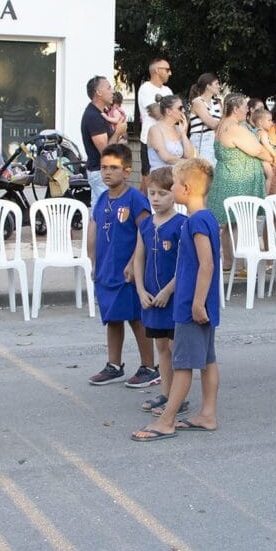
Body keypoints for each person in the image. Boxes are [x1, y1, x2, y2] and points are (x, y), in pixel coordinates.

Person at [131, 157, 221, 440]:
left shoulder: (195, 221)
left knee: (183, 364)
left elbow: (206, 264)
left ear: (186, 188)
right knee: (207, 362)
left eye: (176, 184)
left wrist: (196, 303)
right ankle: (207, 414)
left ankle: (167, 420)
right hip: (200, 304)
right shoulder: (205, 218)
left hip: (190, 306)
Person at [86, 142, 157, 388]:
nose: (107, 172)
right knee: (112, 317)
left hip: (128, 271)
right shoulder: (103, 198)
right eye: (104, 167)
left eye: (114, 168)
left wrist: (133, 263)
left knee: (136, 318)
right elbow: (94, 229)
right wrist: (93, 261)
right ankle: (114, 365)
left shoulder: (135, 199)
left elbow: (145, 233)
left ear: (126, 171)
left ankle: (150, 366)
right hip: (106, 268)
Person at [133, 165, 189, 416]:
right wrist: (140, 290)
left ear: (174, 194)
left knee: (176, 348)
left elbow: (186, 264)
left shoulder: (182, 225)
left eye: (162, 194)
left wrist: (168, 290)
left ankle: (179, 397)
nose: (155, 199)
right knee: (161, 348)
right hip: (151, 298)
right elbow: (138, 258)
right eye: (151, 193)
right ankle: (166, 393)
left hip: (173, 297)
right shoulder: (145, 225)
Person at [206, 93, 275, 268]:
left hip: (228, 177)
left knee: (231, 223)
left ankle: (230, 263)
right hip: (237, 181)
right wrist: (270, 156)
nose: (248, 110)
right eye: (245, 106)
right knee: (238, 222)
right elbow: (257, 151)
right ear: (235, 109)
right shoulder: (234, 128)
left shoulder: (223, 125)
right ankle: (241, 265)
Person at [80, 75, 128, 209]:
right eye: (109, 88)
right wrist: (118, 132)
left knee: (97, 211)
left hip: (100, 171)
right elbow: (105, 152)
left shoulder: (100, 113)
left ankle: (93, 231)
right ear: (98, 93)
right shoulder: (93, 117)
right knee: (110, 210)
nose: (112, 91)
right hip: (100, 172)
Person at [136, 57, 172, 190]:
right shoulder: (146, 88)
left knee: (165, 178)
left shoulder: (168, 91)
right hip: (149, 140)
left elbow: (177, 114)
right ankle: (141, 209)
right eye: (167, 69)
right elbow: (155, 112)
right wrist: (171, 114)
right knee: (148, 178)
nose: (170, 73)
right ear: (157, 70)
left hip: (167, 139)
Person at [145, 95, 193, 171]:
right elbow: (166, 157)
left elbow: (189, 156)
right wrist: (189, 163)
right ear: (168, 111)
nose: (183, 111)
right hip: (160, 177)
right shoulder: (155, 129)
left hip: (177, 177)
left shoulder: (179, 129)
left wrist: (184, 134)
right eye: (180, 108)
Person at [187, 73, 222, 165]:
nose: (219, 86)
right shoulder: (198, 102)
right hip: (202, 141)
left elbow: (221, 123)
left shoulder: (217, 103)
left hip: (216, 141)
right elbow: (213, 124)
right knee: (205, 173)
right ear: (208, 86)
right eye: (216, 84)